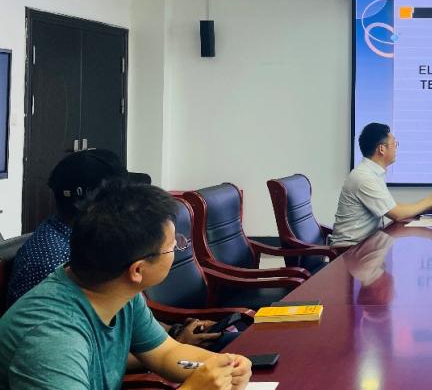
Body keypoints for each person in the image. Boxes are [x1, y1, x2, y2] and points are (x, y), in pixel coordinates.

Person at [0, 180, 252, 389]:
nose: (178, 247)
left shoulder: (117, 291)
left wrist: (224, 366)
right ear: (138, 270)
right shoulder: (52, 339)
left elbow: (165, 353)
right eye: (172, 246)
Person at [6, 149, 222, 349]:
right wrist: (176, 343)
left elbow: (123, 320)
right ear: (90, 202)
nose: (129, 203)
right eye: (120, 195)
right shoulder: (55, 260)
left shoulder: (98, 242)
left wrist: (174, 331)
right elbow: (85, 347)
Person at [330, 123, 432, 248]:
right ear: (382, 149)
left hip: (365, 246)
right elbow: (397, 214)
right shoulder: (365, 177)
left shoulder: (371, 173)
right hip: (350, 250)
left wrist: (428, 207)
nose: (396, 148)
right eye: (394, 144)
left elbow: (393, 207)